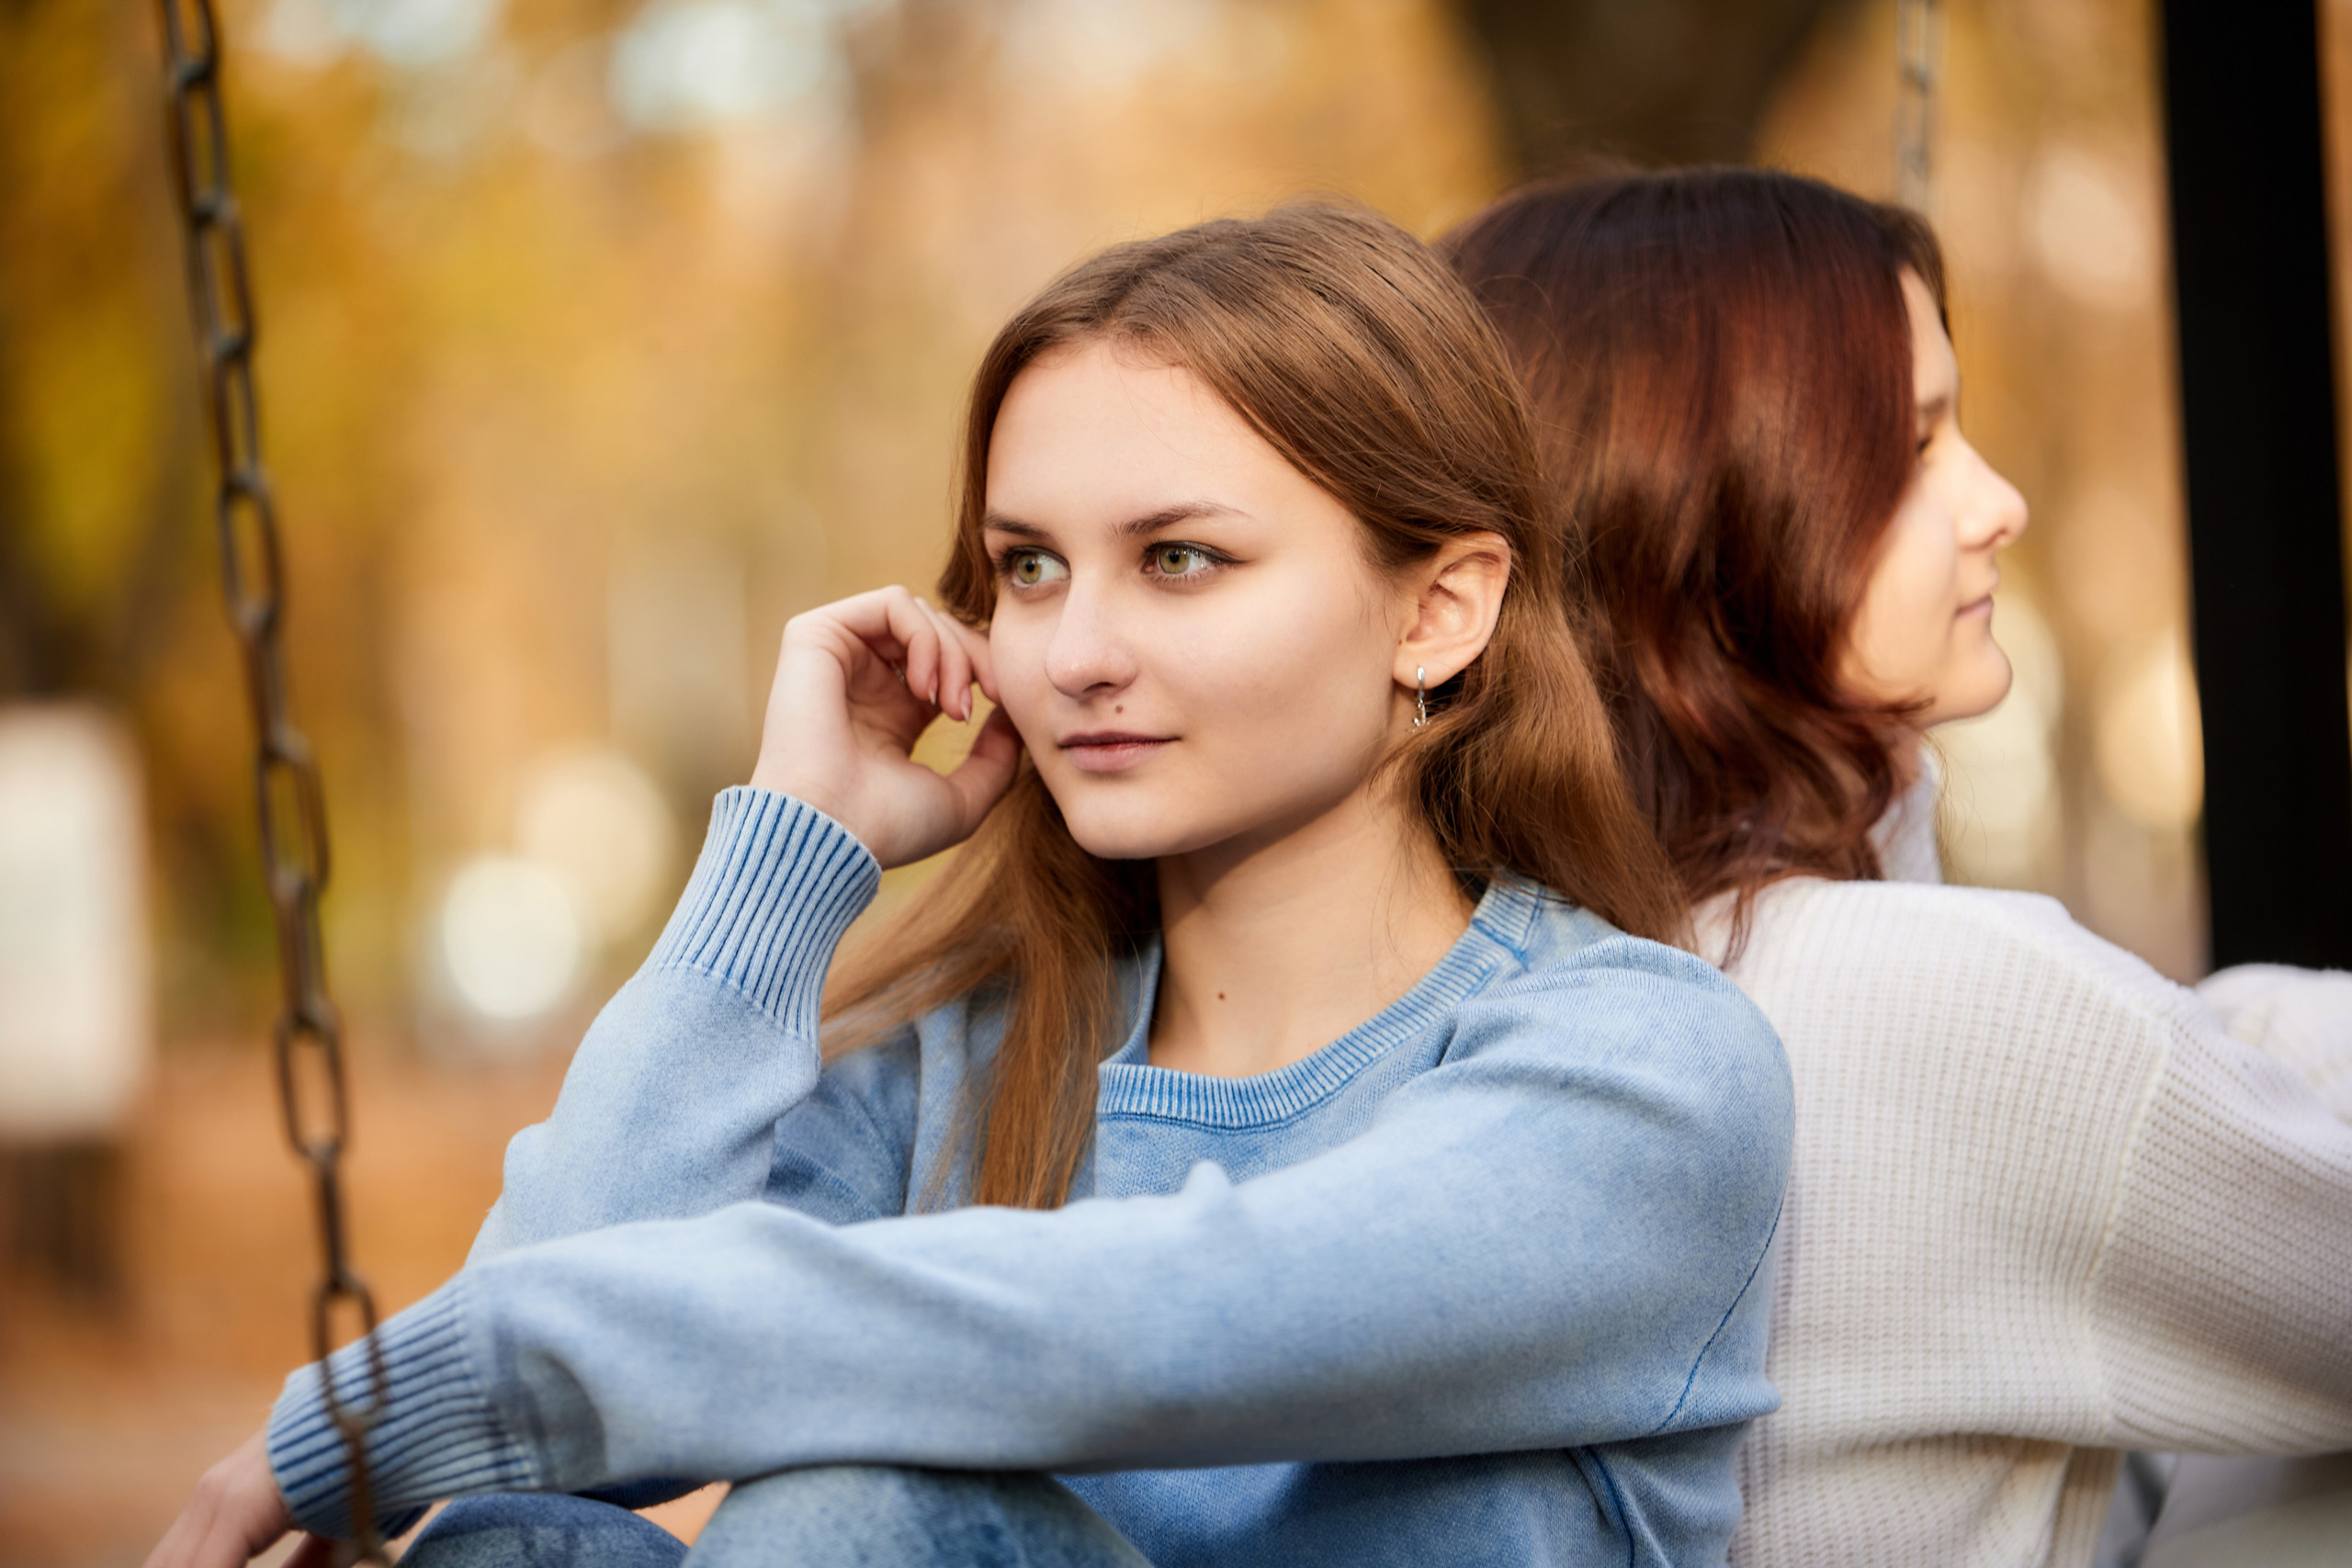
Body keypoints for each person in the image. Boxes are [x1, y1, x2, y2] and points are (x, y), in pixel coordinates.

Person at [147, 204, 1793, 1568]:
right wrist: (791, 859)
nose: (1074, 653)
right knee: (509, 1543)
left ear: (1438, 612)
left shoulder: (1639, 1071)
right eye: (1027, 566)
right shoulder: (966, 1073)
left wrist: (429, 1389)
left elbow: (1181, 1323)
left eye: (1181, 559)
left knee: (860, 1505)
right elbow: (559, 1388)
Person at [1444, 165, 2352, 1568]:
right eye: (1916, 445)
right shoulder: (1938, 1002)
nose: (1998, 502)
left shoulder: (1505, 968)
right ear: (1711, 505)